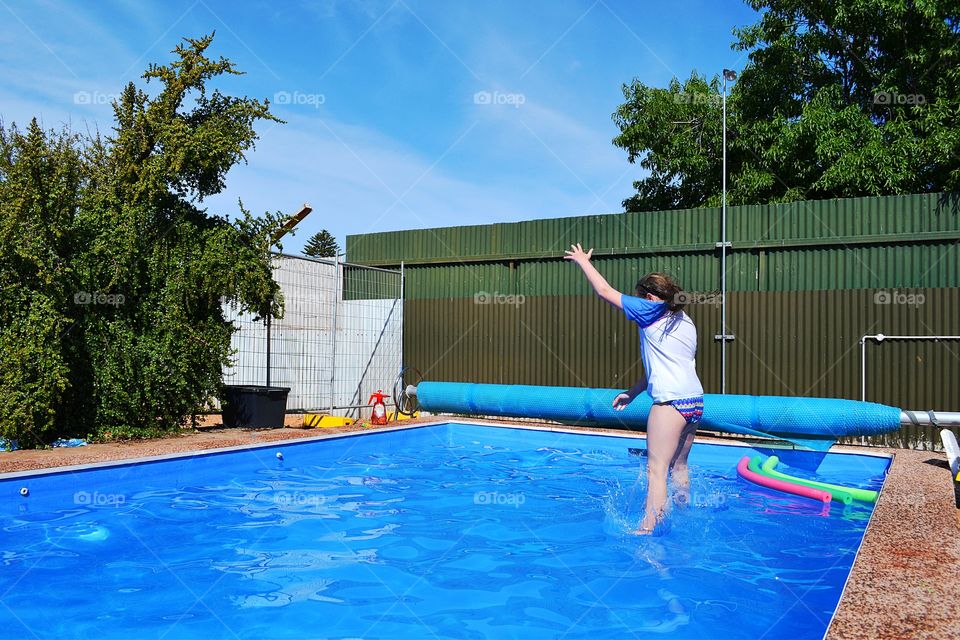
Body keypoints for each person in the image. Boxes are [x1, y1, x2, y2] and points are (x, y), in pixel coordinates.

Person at [563, 243, 704, 534]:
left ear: (651, 297)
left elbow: (604, 292)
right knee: (679, 467)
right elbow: (664, 366)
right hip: (695, 402)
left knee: (655, 472)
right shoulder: (684, 320)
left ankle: (647, 530)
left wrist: (582, 262)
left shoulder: (652, 310)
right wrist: (633, 392)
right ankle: (685, 516)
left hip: (670, 405)